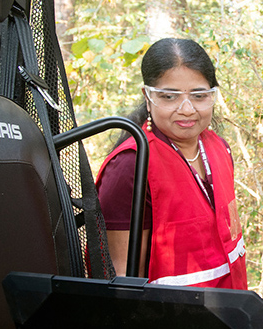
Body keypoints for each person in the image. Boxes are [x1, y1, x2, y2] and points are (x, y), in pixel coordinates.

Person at [96, 38, 247, 289]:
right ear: (148, 96)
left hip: (229, 315)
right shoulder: (131, 165)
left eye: (199, 96)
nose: (187, 109)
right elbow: (120, 278)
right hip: (167, 322)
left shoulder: (218, 147)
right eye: (169, 97)